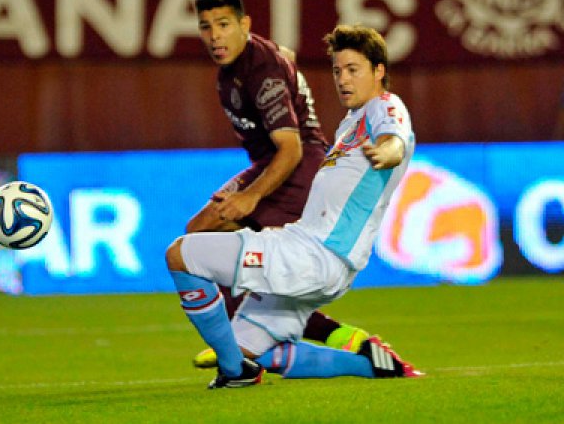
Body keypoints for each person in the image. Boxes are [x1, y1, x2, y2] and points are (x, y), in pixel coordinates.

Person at [166, 24, 420, 388]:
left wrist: (388, 150)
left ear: (379, 70)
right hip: (318, 258)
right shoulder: (351, 122)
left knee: (181, 255)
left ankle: (234, 375)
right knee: (248, 349)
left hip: (313, 255)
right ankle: (374, 366)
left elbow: (395, 136)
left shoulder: (385, 106)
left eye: (353, 69)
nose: (342, 80)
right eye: (337, 71)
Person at [188, 0, 370, 368]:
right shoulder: (246, 64)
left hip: (297, 170)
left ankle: (242, 347)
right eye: (206, 27)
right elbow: (283, 57)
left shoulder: (260, 70)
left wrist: (251, 197)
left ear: (244, 24)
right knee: (199, 235)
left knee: (247, 261)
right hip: (272, 164)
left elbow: (291, 148)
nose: (215, 35)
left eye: (223, 24)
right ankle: (331, 336)